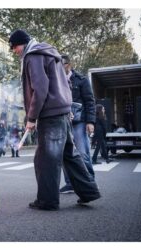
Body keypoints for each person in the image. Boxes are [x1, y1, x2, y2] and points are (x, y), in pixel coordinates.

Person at [9, 29, 101, 210]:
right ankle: (89, 191)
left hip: (49, 114)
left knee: (45, 159)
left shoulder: (33, 56)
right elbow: (66, 83)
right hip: (61, 112)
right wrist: (67, 107)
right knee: (70, 155)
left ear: (21, 44)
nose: (14, 51)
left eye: (14, 47)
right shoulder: (50, 53)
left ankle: (47, 201)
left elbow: (40, 89)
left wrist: (31, 117)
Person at [59, 55, 96, 194]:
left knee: (83, 153)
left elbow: (90, 101)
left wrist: (90, 122)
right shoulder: (56, 81)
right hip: (63, 122)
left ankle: (90, 182)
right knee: (65, 153)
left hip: (80, 122)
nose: (58, 68)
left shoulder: (82, 80)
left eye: (61, 65)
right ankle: (70, 184)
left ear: (68, 65)